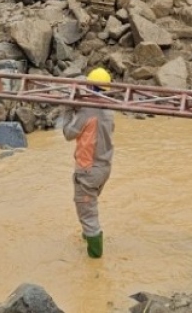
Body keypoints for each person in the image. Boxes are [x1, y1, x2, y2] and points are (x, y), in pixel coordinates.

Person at [62, 67, 117, 259]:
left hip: (88, 170)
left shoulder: (87, 111)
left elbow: (68, 134)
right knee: (89, 205)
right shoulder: (109, 109)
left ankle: (95, 260)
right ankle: (88, 237)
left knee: (87, 214)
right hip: (104, 168)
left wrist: (68, 110)